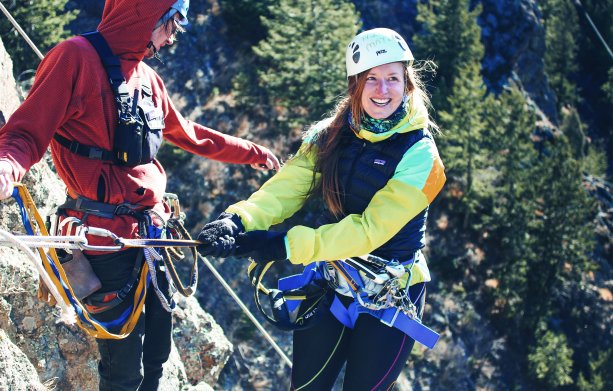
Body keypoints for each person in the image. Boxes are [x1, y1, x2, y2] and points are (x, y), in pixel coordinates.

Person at [0, 0, 279, 389]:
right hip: (104, 241)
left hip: (152, 234)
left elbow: (189, 133)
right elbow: (25, 133)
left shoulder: (146, 79)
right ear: (146, 14)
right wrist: (7, 168)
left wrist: (252, 153)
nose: (174, 35)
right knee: (123, 364)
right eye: (172, 22)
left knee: (158, 351)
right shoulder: (74, 59)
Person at [197, 28, 446, 390]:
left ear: (407, 84)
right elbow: (287, 187)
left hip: (391, 295)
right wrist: (239, 220)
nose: (382, 90)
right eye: (371, 79)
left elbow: (368, 231)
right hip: (333, 281)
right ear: (355, 85)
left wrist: (284, 245)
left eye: (393, 78)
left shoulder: (422, 156)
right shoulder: (330, 135)